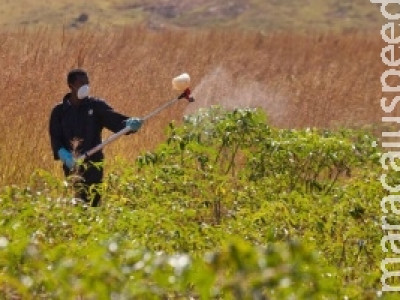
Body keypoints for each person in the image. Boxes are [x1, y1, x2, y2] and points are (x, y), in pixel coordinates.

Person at [49, 69, 142, 207]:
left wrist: (128, 124)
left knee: (93, 204)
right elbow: (55, 138)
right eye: (81, 83)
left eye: (87, 82)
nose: (85, 86)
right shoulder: (59, 112)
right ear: (71, 85)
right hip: (72, 166)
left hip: (94, 165)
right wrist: (65, 156)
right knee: (76, 203)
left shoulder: (96, 106)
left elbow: (114, 120)